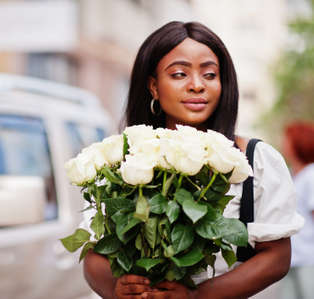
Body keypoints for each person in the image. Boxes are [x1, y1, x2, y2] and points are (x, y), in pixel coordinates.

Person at [83, 21, 304, 299]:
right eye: (179, 74)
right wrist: (117, 289)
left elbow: (276, 258)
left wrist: (196, 296)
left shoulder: (255, 160)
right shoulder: (121, 159)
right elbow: (93, 254)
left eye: (210, 75)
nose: (197, 85)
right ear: (153, 86)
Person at [281, 122, 314, 298]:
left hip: (310, 259)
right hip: (292, 257)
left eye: (287, 140)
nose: (283, 144)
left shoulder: (311, 175)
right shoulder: (291, 173)